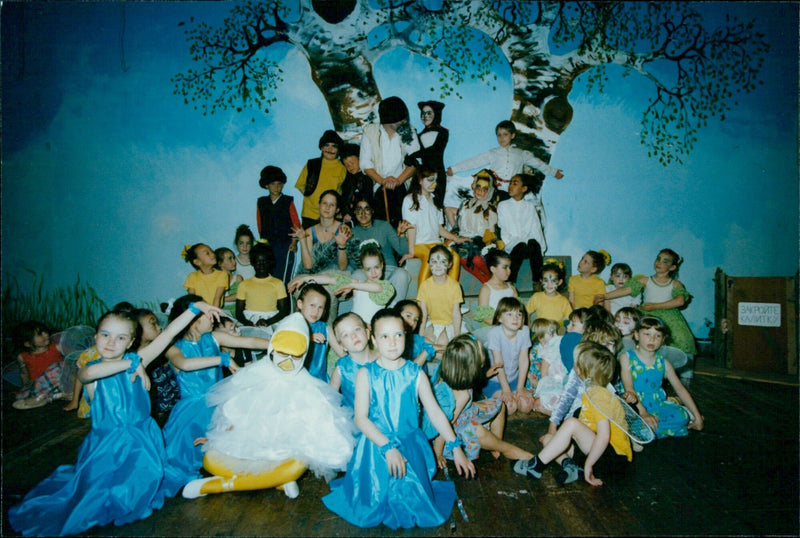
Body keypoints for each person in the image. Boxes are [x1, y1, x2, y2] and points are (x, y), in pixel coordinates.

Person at [7, 302, 222, 536]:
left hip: (142, 439)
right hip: (109, 444)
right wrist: (132, 364)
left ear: (130, 342)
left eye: (120, 338)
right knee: (103, 494)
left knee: (143, 484)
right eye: (105, 335)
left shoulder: (139, 359)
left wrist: (194, 308)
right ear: (96, 336)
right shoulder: (93, 368)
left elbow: (169, 333)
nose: (111, 342)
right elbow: (89, 374)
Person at [322, 309, 475, 529]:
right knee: (374, 501)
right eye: (384, 336)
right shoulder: (365, 374)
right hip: (376, 447)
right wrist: (387, 447)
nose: (392, 342)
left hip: (410, 443)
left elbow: (434, 412)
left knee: (414, 500)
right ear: (374, 339)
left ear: (406, 336)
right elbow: (361, 419)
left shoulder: (415, 372)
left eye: (398, 335)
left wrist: (456, 447)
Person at [181, 313, 357, 501]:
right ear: (272, 348)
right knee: (211, 460)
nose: (287, 361)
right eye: (282, 353)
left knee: (295, 466)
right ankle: (278, 481)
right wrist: (221, 432)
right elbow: (233, 407)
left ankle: (217, 485)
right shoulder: (254, 373)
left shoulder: (307, 383)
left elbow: (322, 422)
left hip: (283, 448)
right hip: (250, 441)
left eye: (295, 355)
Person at [160, 295, 270, 498]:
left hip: (219, 399)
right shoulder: (173, 347)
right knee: (184, 454)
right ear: (193, 321)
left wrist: (277, 344)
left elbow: (249, 340)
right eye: (209, 315)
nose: (215, 319)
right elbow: (185, 364)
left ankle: (248, 474)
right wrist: (222, 358)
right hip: (193, 407)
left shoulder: (214, 338)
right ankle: (204, 478)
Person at [513, 342, 632, 487]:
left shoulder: (600, 395)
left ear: (580, 370)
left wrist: (589, 465)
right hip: (595, 452)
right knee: (549, 439)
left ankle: (536, 465)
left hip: (613, 460)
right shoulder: (592, 389)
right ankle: (571, 467)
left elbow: (604, 435)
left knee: (571, 423)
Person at [424, 335, 533, 467]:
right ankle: (507, 449)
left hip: (464, 415)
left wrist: (486, 375)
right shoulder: (462, 395)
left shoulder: (454, 375)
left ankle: (495, 444)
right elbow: (443, 425)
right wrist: (437, 453)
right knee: (478, 430)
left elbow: (468, 390)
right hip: (452, 439)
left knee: (500, 404)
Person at [597, 248, 697, 381]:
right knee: (640, 336)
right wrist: (604, 296)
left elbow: (680, 300)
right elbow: (627, 290)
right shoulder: (646, 280)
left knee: (681, 338)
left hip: (669, 317)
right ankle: (640, 368)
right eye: (658, 259)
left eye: (665, 261)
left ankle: (680, 373)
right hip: (647, 314)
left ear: (672, 267)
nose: (659, 262)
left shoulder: (675, 284)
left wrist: (655, 306)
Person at [445, 119, 564, 226]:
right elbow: (474, 162)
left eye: (505, 134)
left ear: (512, 135)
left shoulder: (521, 153)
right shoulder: (493, 153)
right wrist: (454, 169)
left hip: (512, 191)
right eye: (499, 135)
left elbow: (538, 163)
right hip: (495, 190)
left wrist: (554, 172)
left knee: (511, 217)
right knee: (490, 216)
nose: (502, 138)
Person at [618, 317, 704, 438]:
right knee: (637, 423)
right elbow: (629, 389)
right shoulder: (626, 357)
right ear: (636, 335)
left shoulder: (664, 363)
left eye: (658, 336)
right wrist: (643, 413)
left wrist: (698, 417)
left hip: (657, 404)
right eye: (647, 334)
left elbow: (680, 389)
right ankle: (647, 429)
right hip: (635, 407)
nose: (652, 339)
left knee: (682, 416)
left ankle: (648, 431)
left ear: (663, 339)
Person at [289, 241, 394, 327]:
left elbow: (377, 288)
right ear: (363, 270)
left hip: (374, 328)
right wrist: (308, 278)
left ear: (382, 265)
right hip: (355, 326)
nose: (373, 272)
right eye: (368, 269)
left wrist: (352, 285)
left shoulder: (386, 286)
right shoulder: (357, 284)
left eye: (376, 267)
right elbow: (331, 279)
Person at [290, 190, 358, 322]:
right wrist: (303, 240)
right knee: (300, 288)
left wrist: (341, 245)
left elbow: (343, 267)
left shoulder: (344, 229)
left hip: (338, 276)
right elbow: (308, 265)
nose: (327, 207)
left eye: (332, 205)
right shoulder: (309, 231)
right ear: (318, 205)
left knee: (326, 291)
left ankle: (328, 333)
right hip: (316, 275)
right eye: (324, 203)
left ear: (337, 209)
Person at [359, 96, 420, 228]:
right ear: (387, 120)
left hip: (403, 186)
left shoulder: (409, 130)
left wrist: (397, 181)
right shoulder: (370, 131)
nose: (403, 122)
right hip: (378, 187)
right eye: (399, 121)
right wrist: (383, 181)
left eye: (404, 119)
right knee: (381, 226)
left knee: (402, 225)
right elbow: (365, 164)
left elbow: (416, 160)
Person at [399, 165, 465, 283]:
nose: (433, 183)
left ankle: (450, 295)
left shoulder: (435, 201)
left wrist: (455, 238)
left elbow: (439, 228)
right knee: (431, 257)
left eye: (435, 180)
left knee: (454, 257)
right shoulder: (409, 200)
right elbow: (410, 228)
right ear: (420, 180)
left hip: (435, 243)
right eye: (430, 179)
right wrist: (411, 252)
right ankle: (421, 300)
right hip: (419, 244)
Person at [349, 195, 411, 305]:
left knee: (402, 274)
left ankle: (393, 312)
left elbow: (402, 251)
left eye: (367, 209)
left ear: (372, 211)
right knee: (357, 275)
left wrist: (401, 234)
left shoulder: (384, 226)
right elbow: (351, 262)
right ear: (354, 212)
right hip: (366, 274)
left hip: (388, 271)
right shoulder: (351, 232)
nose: (363, 213)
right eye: (359, 209)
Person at [484, 297, 533, 415]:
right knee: (510, 407)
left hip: (513, 378)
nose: (515, 318)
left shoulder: (524, 331)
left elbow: (523, 360)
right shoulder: (494, 334)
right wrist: (506, 390)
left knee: (526, 406)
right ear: (499, 318)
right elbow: (498, 364)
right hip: (494, 381)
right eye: (509, 314)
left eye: (519, 314)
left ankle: (514, 391)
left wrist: (520, 388)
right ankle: (488, 396)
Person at [452, 170, 504, 282]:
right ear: (474, 186)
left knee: (476, 259)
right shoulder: (465, 204)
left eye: (485, 189)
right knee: (460, 256)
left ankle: (494, 279)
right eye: (478, 187)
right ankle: (486, 281)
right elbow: (457, 225)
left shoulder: (490, 209)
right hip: (462, 239)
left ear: (489, 191)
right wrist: (454, 236)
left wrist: (493, 244)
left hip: (479, 242)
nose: (480, 191)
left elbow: (492, 233)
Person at [496, 174, 547, 284]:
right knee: (520, 246)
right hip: (512, 244)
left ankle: (537, 281)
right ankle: (510, 281)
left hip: (528, 244)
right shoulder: (503, 205)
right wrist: (508, 242)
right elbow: (503, 227)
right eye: (510, 183)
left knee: (533, 243)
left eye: (515, 183)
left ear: (524, 188)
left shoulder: (529, 206)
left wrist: (541, 248)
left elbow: (536, 228)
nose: (510, 186)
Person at [287, 282, 340, 382]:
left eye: (320, 307)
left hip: (318, 379)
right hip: (295, 378)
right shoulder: (292, 323)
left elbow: (340, 351)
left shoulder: (325, 327)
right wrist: (308, 338)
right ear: (300, 304)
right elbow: (284, 345)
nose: (316, 311)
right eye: (312, 305)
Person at [256, 165, 301, 283]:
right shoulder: (262, 202)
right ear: (266, 185)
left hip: (285, 244)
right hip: (268, 244)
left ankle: (285, 299)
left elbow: (296, 223)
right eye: (272, 184)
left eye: (279, 184)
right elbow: (260, 224)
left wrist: (294, 241)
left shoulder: (288, 201)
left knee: (284, 276)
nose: (276, 187)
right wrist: (263, 243)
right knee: (269, 274)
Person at [295, 130, 347, 229]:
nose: (330, 149)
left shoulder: (343, 167)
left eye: (334, 146)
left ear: (338, 149)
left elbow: (344, 192)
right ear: (322, 147)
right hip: (310, 214)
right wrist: (312, 199)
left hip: (333, 216)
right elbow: (300, 185)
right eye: (327, 145)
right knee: (309, 243)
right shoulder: (312, 164)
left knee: (331, 243)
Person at [11, 321, 69, 409]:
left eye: (45, 331)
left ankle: (43, 397)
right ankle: (46, 397)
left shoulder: (57, 347)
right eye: (40, 334)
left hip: (57, 382)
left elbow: (71, 359)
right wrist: (25, 386)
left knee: (58, 366)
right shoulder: (22, 356)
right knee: (20, 395)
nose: (46, 334)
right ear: (28, 343)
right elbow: (24, 373)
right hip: (38, 385)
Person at [416, 245, 465, 348]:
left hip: (449, 323)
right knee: (427, 343)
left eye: (442, 262)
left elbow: (456, 313)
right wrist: (420, 336)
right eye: (434, 262)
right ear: (429, 263)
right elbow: (423, 314)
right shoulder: (425, 286)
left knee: (443, 344)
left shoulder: (455, 286)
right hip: (432, 322)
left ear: (450, 264)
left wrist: (457, 336)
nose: (438, 265)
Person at [235, 240, 289, 328]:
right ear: (252, 263)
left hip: (272, 320)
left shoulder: (278, 283)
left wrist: (268, 322)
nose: (261, 265)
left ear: (270, 262)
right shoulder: (243, 285)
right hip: (249, 320)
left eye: (265, 262)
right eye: (258, 262)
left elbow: (284, 311)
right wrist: (247, 322)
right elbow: (238, 313)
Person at [137, 308, 181, 415]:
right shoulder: (136, 357)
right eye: (153, 325)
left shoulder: (162, 348)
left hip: (175, 401)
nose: (159, 327)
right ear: (139, 330)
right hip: (158, 409)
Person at [329, 312, 377, 410]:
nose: (353, 336)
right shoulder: (341, 369)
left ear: (367, 333)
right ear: (342, 346)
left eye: (357, 329)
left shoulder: (384, 359)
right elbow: (330, 400)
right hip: (353, 420)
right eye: (345, 335)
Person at [408, 100, 449, 208]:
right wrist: (412, 159)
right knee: (414, 202)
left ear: (436, 114)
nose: (424, 116)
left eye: (429, 113)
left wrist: (414, 155)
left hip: (437, 174)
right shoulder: (419, 134)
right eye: (423, 113)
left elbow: (434, 151)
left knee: (435, 205)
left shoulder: (443, 132)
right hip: (422, 174)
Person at [530, 318, 566, 415]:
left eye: (555, 333)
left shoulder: (556, 344)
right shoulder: (537, 349)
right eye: (551, 334)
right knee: (536, 402)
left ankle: (555, 412)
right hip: (537, 380)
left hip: (552, 379)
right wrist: (531, 378)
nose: (555, 336)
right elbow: (528, 364)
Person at [474, 249, 518, 326]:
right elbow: (485, 317)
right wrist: (504, 325)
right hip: (493, 327)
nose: (509, 271)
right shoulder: (486, 289)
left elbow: (518, 309)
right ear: (493, 269)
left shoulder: (511, 288)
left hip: (511, 327)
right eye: (505, 267)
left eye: (509, 267)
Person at [525, 259, 573, 327]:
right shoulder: (536, 297)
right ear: (541, 281)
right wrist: (528, 327)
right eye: (546, 280)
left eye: (553, 281)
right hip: (540, 333)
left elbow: (569, 320)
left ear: (559, 282)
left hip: (556, 335)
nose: (549, 284)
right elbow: (526, 312)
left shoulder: (564, 301)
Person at [338, 144, 375, 225]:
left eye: (352, 163)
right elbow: (344, 198)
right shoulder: (347, 180)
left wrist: (352, 213)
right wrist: (344, 213)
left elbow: (366, 197)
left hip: (362, 216)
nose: (350, 167)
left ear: (360, 159)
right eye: (347, 165)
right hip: (347, 219)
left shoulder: (366, 178)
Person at [182, 243, 228, 307]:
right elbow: (192, 298)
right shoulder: (192, 276)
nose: (213, 254)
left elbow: (217, 298)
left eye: (211, 251)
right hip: (199, 311)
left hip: (215, 310)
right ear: (197, 262)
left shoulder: (222, 274)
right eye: (207, 253)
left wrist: (213, 314)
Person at [395, 299, 437, 369]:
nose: (412, 322)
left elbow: (438, 349)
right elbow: (407, 373)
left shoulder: (417, 339)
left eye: (416, 320)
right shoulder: (391, 343)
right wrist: (427, 351)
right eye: (408, 316)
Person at [214, 247, 242, 318]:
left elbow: (241, 295)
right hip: (221, 313)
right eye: (230, 259)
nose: (234, 261)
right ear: (220, 263)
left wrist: (222, 298)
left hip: (237, 312)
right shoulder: (215, 279)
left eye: (233, 258)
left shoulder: (238, 278)